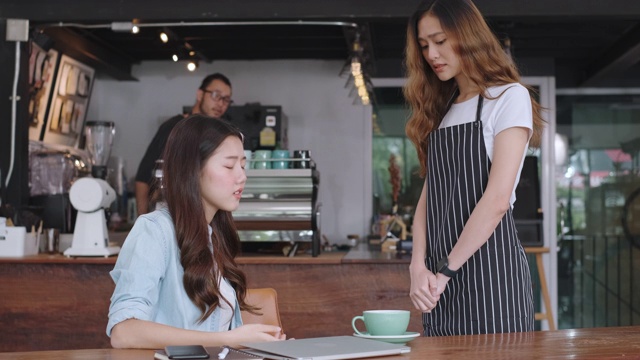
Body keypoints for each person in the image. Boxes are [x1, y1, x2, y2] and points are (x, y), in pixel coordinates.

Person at [404, 0, 545, 336]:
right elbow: (429, 197)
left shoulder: (509, 97)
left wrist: (445, 271)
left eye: (440, 41)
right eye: (424, 46)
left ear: (467, 35)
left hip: (490, 273)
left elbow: (497, 200)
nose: (432, 54)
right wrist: (417, 266)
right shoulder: (443, 110)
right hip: (439, 282)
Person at [107, 115, 286, 348]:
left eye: (243, 165)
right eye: (229, 165)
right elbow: (124, 332)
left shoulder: (213, 235)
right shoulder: (153, 231)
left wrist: (263, 345)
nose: (242, 176)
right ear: (192, 170)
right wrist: (227, 340)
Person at [135, 73, 234, 215]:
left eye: (226, 100)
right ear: (200, 94)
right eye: (215, 95)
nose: (220, 104)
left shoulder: (220, 136)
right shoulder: (173, 127)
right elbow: (143, 178)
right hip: (172, 214)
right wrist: (142, 221)